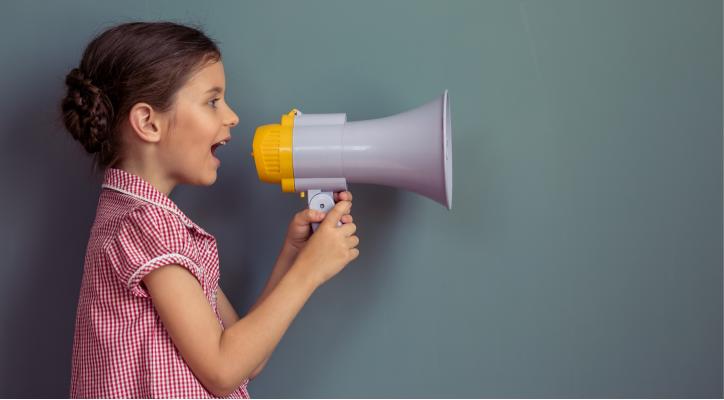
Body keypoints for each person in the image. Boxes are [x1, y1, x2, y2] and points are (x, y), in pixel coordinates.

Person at [61, 21, 359, 398]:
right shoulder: (147, 226)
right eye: (212, 100)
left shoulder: (146, 220)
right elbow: (222, 370)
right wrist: (308, 273)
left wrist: (292, 258)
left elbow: (245, 359)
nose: (231, 116)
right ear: (148, 122)